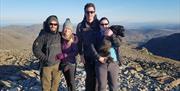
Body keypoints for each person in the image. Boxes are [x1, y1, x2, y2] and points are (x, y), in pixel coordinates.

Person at [32, 15, 62, 91]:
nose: (53, 26)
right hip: (46, 66)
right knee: (46, 85)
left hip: (57, 65)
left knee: (56, 83)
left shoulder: (59, 35)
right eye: (51, 24)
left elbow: (69, 36)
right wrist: (46, 59)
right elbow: (36, 49)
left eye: (55, 24)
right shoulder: (43, 35)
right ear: (48, 24)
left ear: (57, 25)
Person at [76, 3, 100, 91]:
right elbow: (79, 42)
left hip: (99, 56)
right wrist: (81, 55)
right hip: (87, 56)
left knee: (97, 78)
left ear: (94, 12)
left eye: (91, 12)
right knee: (89, 77)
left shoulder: (99, 24)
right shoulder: (80, 26)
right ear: (84, 13)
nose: (89, 14)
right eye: (87, 12)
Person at [95, 17, 121, 91]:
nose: (104, 26)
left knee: (113, 86)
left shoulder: (113, 33)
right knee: (102, 86)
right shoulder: (97, 35)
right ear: (99, 25)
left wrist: (111, 35)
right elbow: (94, 48)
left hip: (114, 63)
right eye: (102, 24)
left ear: (108, 24)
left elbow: (118, 44)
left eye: (106, 24)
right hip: (101, 63)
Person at [56, 18, 78, 91]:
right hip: (63, 63)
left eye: (68, 29)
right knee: (68, 81)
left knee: (72, 82)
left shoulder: (74, 38)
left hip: (71, 64)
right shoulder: (61, 37)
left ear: (71, 30)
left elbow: (75, 52)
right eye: (65, 28)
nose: (66, 30)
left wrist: (64, 55)